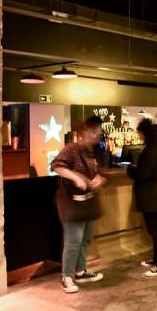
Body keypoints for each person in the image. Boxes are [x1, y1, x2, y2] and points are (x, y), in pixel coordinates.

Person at [52, 116, 108, 294]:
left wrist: (100, 179)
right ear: (84, 132)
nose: (97, 135)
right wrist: (76, 177)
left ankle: (81, 271)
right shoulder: (72, 148)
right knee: (73, 241)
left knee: (85, 240)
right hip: (72, 204)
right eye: (94, 132)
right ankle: (67, 277)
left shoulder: (93, 152)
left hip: (88, 203)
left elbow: (101, 173)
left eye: (99, 132)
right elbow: (56, 166)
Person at [127, 119, 157, 277]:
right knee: (155, 229)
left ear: (144, 132)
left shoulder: (151, 148)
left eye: (139, 132)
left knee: (155, 230)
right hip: (156, 195)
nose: (138, 135)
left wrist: (131, 170)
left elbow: (145, 173)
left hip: (152, 195)